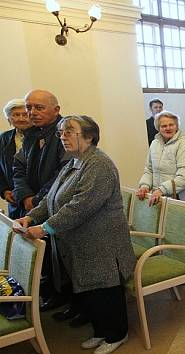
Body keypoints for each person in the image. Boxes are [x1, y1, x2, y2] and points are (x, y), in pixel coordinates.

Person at [14, 115, 135, 354]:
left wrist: (45, 228)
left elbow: (81, 206)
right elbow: (52, 198)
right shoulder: (74, 161)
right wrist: (32, 217)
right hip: (80, 242)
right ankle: (101, 331)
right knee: (90, 290)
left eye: (69, 132)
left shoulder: (98, 164)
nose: (63, 137)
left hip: (102, 242)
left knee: (105, 290)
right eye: (61, 133)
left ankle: (116, 334)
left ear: (89, 136)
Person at [13, 89, 70, 312]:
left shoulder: (64, 132)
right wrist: (24, 195)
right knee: (43, 253)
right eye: (29, 107)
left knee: (63, 255)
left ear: (56, 110)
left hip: (55, 202)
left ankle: (70, 297)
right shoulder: (31, 135)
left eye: (39, 107)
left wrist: (37, 200)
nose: (32, 112)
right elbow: (18, 167)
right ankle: (53, 294)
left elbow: (63, 172)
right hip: (33, 204)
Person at [137, 111, 185, 204]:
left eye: (171, 125)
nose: (168, 128)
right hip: (157, 197)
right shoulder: (154, 144)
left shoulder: (184, 144)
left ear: (176, 126)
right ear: (158, 128)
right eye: (164, 126)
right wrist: (144, 186)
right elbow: (149, 170)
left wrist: (162, 190)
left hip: (178, 199)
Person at [0, 99, 32, 218]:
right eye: (16, 115)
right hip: (15, 201)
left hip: (38, 200)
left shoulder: (42, 136)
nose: (21, 119)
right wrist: (4, 190)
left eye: (25, 114)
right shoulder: (3, 139)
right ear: (9, 119)